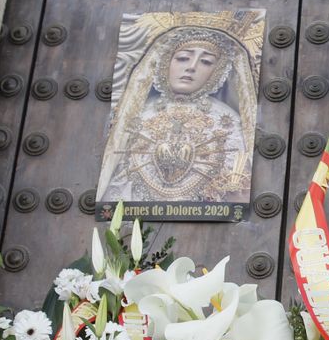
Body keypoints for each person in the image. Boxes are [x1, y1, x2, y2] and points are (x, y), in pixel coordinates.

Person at [98, 26, 252, 207]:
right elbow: (115, 182)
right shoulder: (136, 114)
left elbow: (237, 187)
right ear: (165, 61)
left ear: (217, 71)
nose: (191, 67)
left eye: (206, 62)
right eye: (183, 58)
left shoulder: (227, 121)